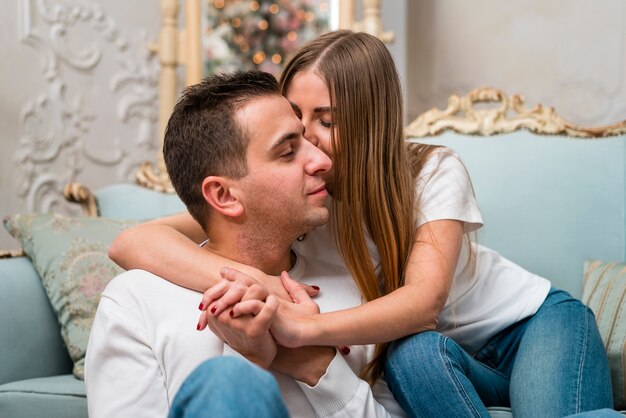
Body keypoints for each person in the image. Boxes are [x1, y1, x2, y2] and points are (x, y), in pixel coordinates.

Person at [109, 30, 613, 417]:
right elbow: (138, 240)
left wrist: (301, 330)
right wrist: (263, 284)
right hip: (444, 353)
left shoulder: (429, 172)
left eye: (326, 121)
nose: (308, 139)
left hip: (531, 325)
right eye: (295, 120)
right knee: (413, 358)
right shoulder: (303, 202)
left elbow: (423, 303)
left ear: (369, 122)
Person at [85, 71, 406, 418]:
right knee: (229, 380)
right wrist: (248, 358)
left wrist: (318, 366)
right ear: (223, 195)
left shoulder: (358, 295)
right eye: (287, 152)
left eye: (307, 141)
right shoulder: (135, 300)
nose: (322, 161)